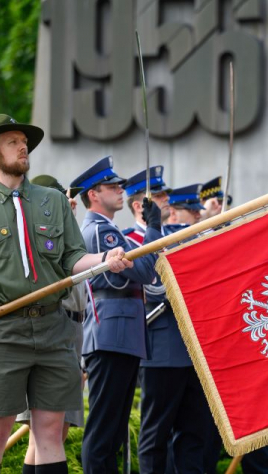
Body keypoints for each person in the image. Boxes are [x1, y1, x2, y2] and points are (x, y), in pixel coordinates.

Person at [0, 114, 133, 474]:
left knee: (51, 431)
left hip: (54, 329)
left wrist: (104, 258)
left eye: (24, 141)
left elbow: (72, 257)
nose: (23, 147)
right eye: (12, 142)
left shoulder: (52, 200)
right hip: (3, 331)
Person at [71, 157, 162, 474]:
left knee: (111, 435)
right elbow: (144, 272)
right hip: (111, 336)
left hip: (121, 335)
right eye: (112, 186)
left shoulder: (108, 230)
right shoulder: (101, 232)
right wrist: (153, 229)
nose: (120, 190)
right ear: (93, 194)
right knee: (102, 434)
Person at [138, 182, 213, 474]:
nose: (164, 201)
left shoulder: (193, 237)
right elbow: (151, 285)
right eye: (157, 197)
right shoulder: (142, 238)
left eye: (166, 197)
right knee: (155, 436)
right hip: (163, 351)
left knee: (193, 436)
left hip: (195, 351)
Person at [15, 175, 86, 474]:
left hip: (71, 331)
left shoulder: (64, 236)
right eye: (62, 199)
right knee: (46, 435)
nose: (70, 204)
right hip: (53, 329)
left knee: (56, 431)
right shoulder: (43, 239)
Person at [121, 165, 171, 246]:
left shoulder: (173, 233)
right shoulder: (128, 242)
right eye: (158, 196)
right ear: (138, 206)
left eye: (165, 194)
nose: (167, 198)